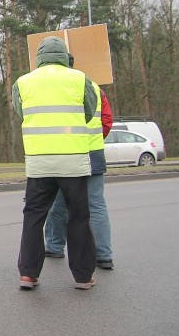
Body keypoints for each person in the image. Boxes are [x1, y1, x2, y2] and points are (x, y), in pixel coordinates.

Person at [13, 36, 98, 290]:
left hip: (40, 161)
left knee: (33, 217)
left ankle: (28, 274)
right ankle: (83, 276)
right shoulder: (80, 78)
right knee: (79, 218)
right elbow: (88, 111)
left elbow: (21, 112)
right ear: (63, 55)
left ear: (39, 57)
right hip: (72, 161)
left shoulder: (23, 82)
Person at [45, 54, 115, 270]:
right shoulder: (93, 87)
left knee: (58, 203)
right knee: (96, 205)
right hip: (92, 152)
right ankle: (103, 255)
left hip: (64, 154)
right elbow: (107, 120)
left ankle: (55, 246)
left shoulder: (54, 88)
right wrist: (93, 140)